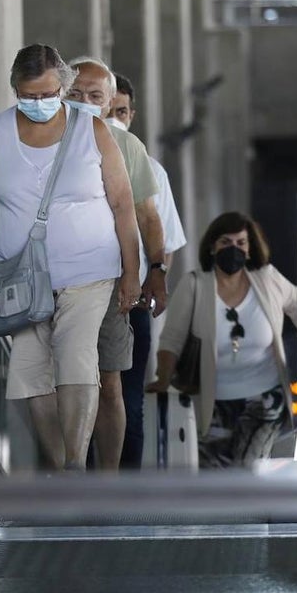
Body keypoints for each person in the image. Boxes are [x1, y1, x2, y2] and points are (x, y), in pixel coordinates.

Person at [0, 44, 140, 471]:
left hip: (88, 272)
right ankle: (60, 469)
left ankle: (76, 462)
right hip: (19, 275)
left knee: (76, 358)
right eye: (28, 95)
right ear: (15, 88)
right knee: (33, 373)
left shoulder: (93, 131)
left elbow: (123, 203)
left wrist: (132, 272)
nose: (38, 103)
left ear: (63, 87)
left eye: (47, 94)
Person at [66, 56, 167, 471]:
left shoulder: (127, 147)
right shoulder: (35, 137)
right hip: (53, 281)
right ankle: (67, 474)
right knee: (61, 385)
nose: (84, 102)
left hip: (111, 284)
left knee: (110, 384)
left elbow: (146, 215)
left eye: (94, 96)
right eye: (75, 94)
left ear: (109, 104)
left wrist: (153, 271)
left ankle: (106, 483)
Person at [147, 212, 297, 469]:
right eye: (226, 242)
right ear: (212, 247)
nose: (234, 249)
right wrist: (163, 378)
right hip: (213, 403)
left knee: (249, 466)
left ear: (250, 249)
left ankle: (255, 510)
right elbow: (172, 339)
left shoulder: (268, 279)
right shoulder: (194, 286)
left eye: (241, 243)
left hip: (264, 402)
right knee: (214, 476)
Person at [109, 72, 187, 469]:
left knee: (129, 401)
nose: (113, 119)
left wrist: (152, 282)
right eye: (107, 109)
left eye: (121, 111)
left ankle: (125, 496)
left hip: (133, 301)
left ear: (132, 114)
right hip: (78, 297)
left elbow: (165, 242)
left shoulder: (152, 171)